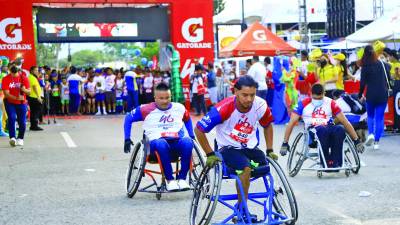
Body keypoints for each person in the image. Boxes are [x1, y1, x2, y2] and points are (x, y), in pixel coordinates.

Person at [195, 76, 278, 222]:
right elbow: (199, 129)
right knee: (245, 168)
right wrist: (209, 153)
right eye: (244, 95)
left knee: (267, 166)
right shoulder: (224, 108)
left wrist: (270, 149)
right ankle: (242, 209)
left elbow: (267, 125)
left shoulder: (260, 105)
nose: (249, 99)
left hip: (250, 147)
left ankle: (268, 200)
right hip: (228, 148)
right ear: (236, 92)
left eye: (252, 95)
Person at [124, 83, 195, 191]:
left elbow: (187, 118)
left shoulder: (179, 108)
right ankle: (170, 180)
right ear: (155, 98)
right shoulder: (145, 109)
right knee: (161, 144)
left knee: (188, 142)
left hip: (175, 142)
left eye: (167, 97)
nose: (165, 101)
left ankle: (182, 179)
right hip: (152, 145)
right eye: (161, 98)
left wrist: (191, 135)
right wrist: (127, 139)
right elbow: (128, 118)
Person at [280, 84, 364, 168]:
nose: (317, 100)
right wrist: (285, 143)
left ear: (324, 93)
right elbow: (291, 123)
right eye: (315, 98)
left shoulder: (330, 102)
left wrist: (356, 140)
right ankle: (326, 162)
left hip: (328, 126)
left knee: (340, 129)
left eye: (320, 98)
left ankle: (336, 162)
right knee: (322, 130)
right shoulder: (302, 104)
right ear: (311, 94)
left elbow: (345, 121)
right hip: (313, 131)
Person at [359, 45, 392, 150]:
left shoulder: (365, 66)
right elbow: (389, 73)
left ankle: (371, 134)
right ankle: (377, 142)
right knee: (380, 117)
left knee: (370, 116)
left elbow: (362, 83)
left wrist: (360, 95)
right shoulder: (382, 64)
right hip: (383, 94)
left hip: (371, 95)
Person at [2, 62, 31, 146]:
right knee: (12, 118)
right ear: (9, 70)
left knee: (22, 122)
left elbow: (29, 92)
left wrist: (24, 90)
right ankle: (12, 138)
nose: (13, 73)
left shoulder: (24, 78)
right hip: (10, 103)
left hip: (22, 103)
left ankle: (20, 138)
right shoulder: (6, 79)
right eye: (11, 69)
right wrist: (16, 98)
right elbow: (6, 93)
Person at [27, 66, 43, 131]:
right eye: (35, 70)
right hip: (34, 97)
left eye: (37, 70)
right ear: (31, 71)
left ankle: (33, 126)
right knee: (36, 112)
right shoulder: (32, 77)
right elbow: (34, 87)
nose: (37, 71)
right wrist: (38, 97)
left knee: (34, 112)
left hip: (33, 96)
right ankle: (34, 126)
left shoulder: (32, 77)